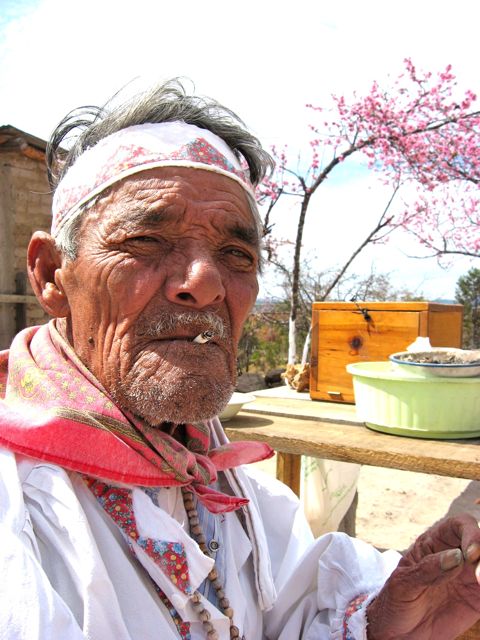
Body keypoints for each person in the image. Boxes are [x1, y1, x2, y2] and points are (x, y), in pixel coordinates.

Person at [1, 79, 480, 640]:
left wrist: (379, 620)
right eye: (148, 240)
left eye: (235, 253)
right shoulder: (20, 518)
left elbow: (289, 608)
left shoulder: (212, 472)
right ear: (52, 274)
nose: (205, 283)